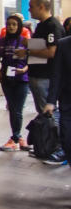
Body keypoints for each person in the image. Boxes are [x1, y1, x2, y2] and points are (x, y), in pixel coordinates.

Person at [18, 0, 65, 164]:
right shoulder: (41, 26)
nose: (29, 10)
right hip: (37, 75)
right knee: (44, 114)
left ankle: (58, 147)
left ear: (41, 7)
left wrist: (28, 52)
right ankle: (46, 144)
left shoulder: (52, 26)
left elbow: (52, 52)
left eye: (31, 7)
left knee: (50, 114)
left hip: (46, 76)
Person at [0, 15, 30, 152]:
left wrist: (24, 69)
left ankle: (16, 137)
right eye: (9, 24)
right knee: (12, 109)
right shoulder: (0, 42)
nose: (11, 27)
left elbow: (33, 59)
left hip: (22, 79)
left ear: (19, 26)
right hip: (6, 80)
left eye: (14, 24)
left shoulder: (26, 41)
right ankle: (17, 137)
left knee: (17, 110)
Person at [44, 34, 71, 166]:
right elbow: (57, 74)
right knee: (67, 138)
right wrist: (51, 101)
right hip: (68, 100)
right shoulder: (63, 44)